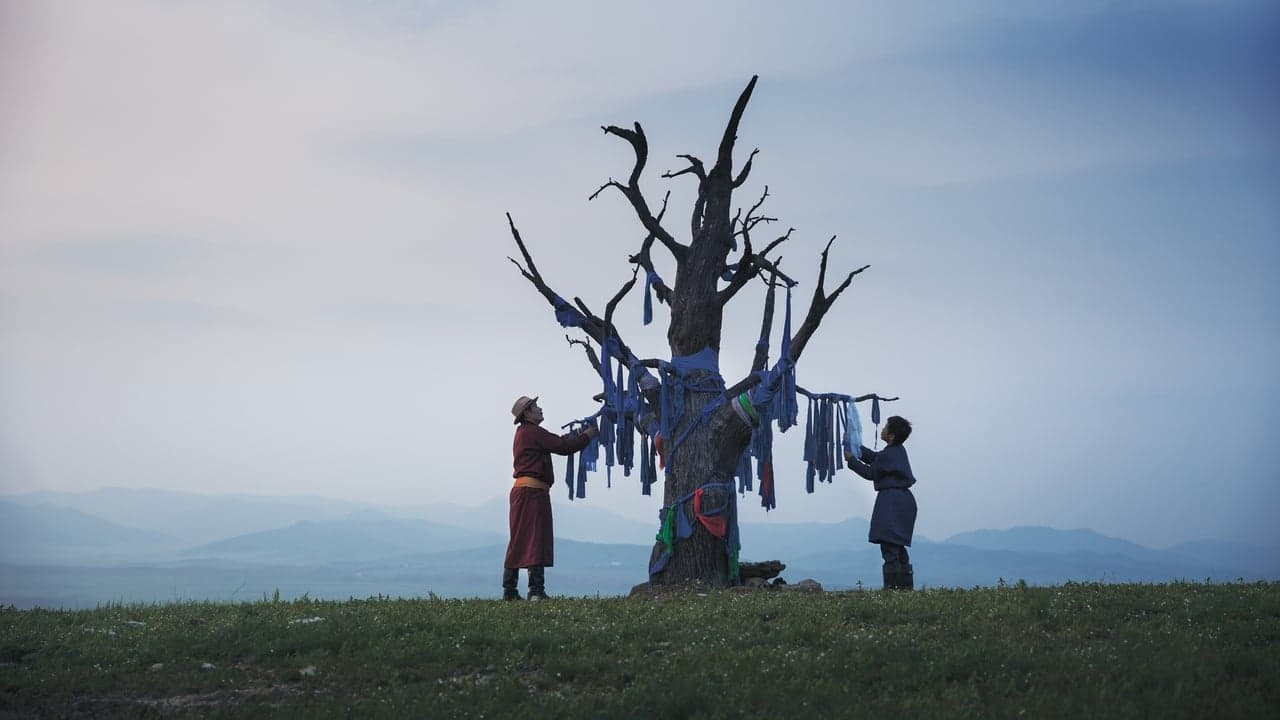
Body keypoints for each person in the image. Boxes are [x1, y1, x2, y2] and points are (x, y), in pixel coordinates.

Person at [504, 395, 597, 601]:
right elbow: (563, 446)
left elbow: (557, 441)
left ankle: (510, 590)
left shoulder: (525, 433)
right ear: (527, 413)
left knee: (519, 539)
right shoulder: (533, 432)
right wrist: (587, 435)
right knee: (535, 538)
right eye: (535, 406)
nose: (540, 408)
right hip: (532, 494)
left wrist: (578, 435)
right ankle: (536, 590)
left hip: (524, 493)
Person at [844, 415, 918, 591]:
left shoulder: (889, 454)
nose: (883, 429)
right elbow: (876, 458)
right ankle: (906, 590)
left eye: (886, 426)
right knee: (898, 547)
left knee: (889, 548)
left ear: (891, 435)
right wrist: (855, 446)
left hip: (891, 503)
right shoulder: (897, 451)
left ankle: (892, 591)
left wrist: (851, 460)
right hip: (905, 502)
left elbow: (871, 472)